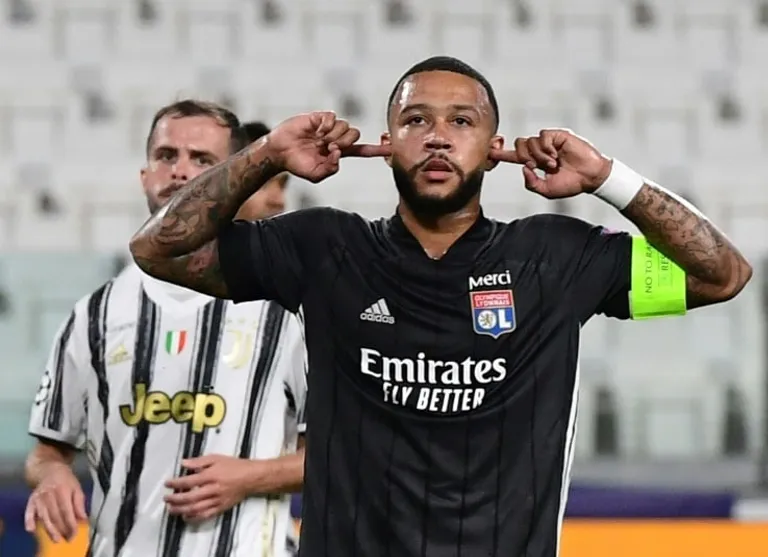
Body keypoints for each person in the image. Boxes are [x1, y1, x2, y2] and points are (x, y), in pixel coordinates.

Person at [129, 57, 752, 557]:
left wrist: (607, 179)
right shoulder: (322, 248)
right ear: (387, 142)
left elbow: (723, 274)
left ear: (494, 145)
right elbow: (157, 250)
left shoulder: (557, 257)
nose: (436, 137)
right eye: (416, 120)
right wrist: (265, 154)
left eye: (461, 121)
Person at [25, 100, 307, 557]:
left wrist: (249, 477)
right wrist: (53, 475)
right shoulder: (94, 314)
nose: (180, 170)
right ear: (144, 175)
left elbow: (338, 454)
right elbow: (47, 450)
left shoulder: (286, 313)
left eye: (202, 160)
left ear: (233, 181)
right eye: (166, 155)